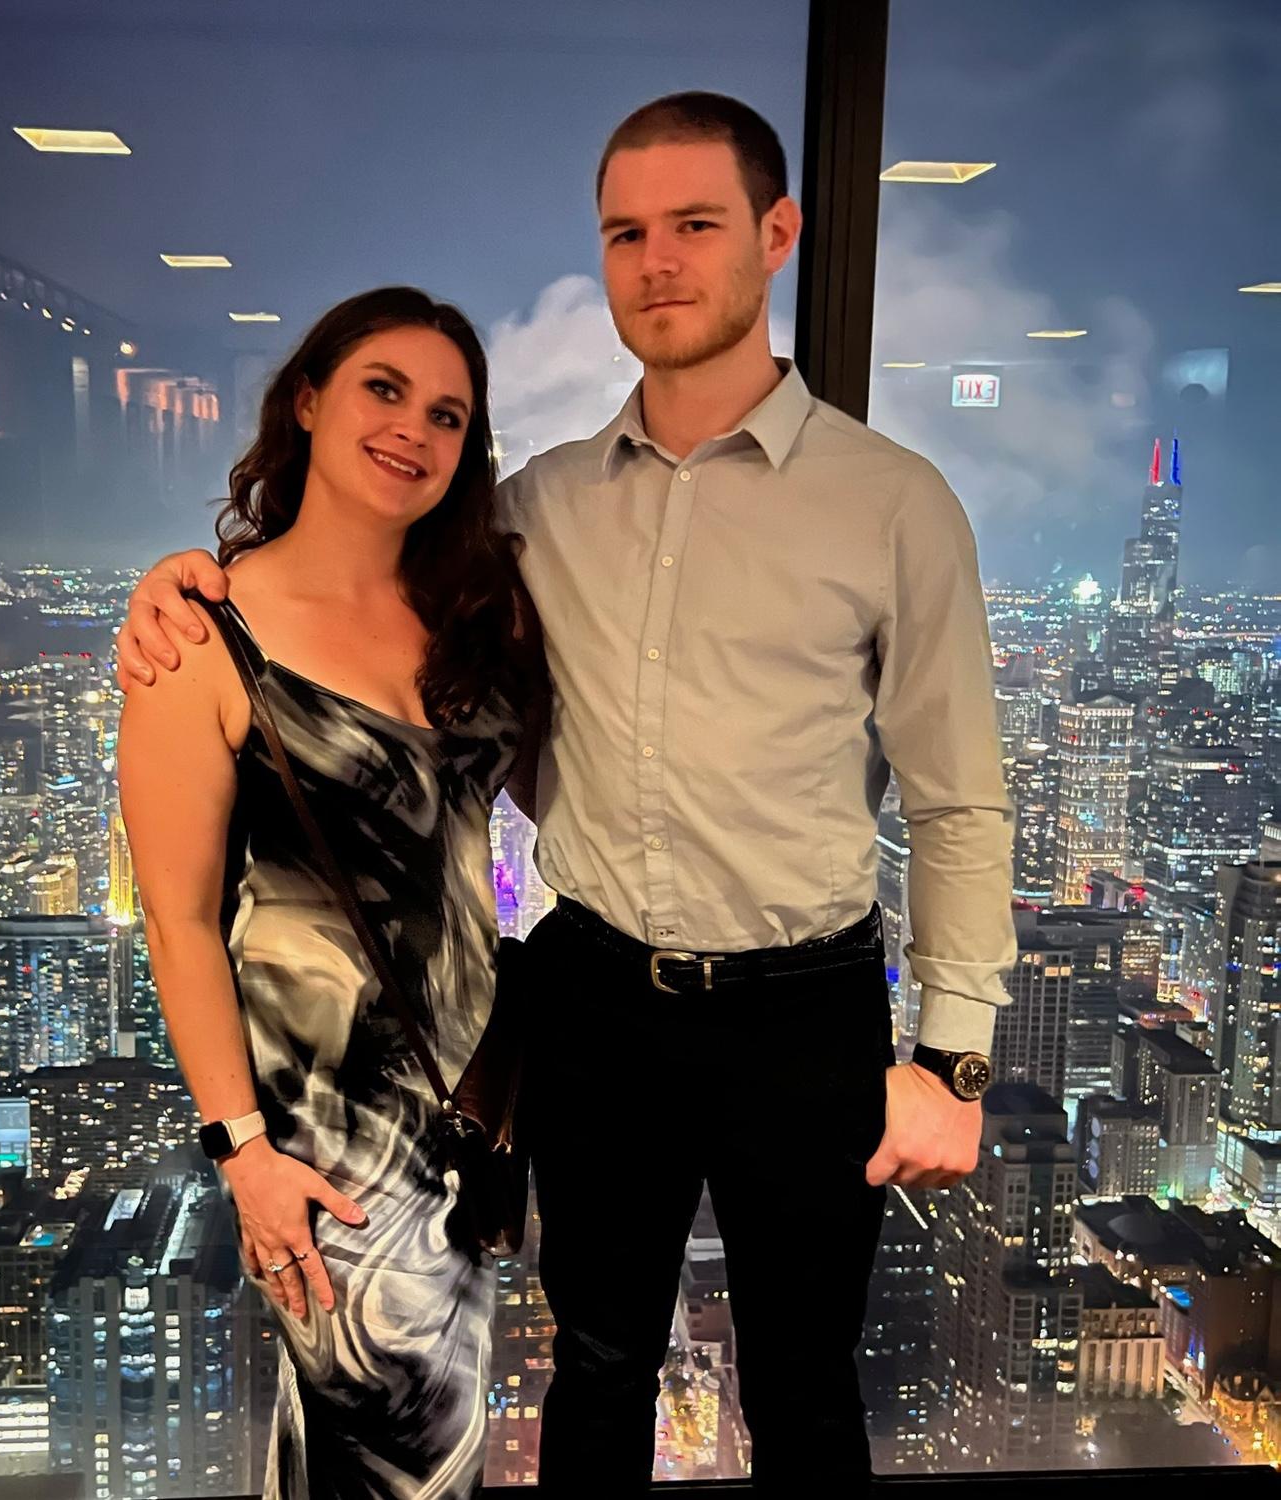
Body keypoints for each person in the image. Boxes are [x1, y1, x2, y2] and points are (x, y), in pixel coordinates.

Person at [115, 92, 1016, 1496]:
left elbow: (958, 797)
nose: (658, 261)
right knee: (596, 1374)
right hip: (594, 1004)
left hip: (806, 1010)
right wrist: (184, 583)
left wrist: (953, 1058)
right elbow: (345, 574)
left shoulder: (893, 504)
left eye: (695, 224)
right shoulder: (533, 509)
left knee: (805, 1387)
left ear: (779, 234)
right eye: (625, 233)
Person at [116, 285, 542, 1500]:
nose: (415, 429)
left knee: (395, 1450)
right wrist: (242, 1153)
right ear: (306, 400)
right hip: (327, 1126)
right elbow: (177, 922)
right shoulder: (204, 635)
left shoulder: (476, 612)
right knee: (401, 1451)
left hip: (473, 1103)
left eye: (448, 415)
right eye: (383, 390)